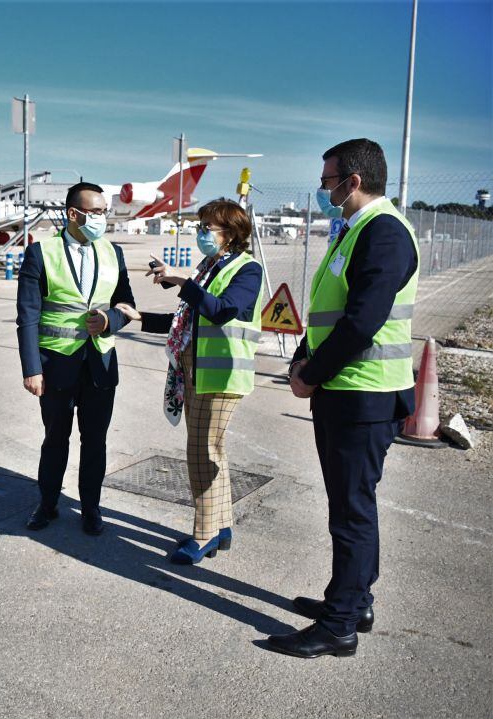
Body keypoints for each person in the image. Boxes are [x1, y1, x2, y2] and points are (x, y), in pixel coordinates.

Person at [267, 138, 419, 659]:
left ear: (354, 181)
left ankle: (340, 626)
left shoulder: (384, 234)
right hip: (343, 391)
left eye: (329, 180)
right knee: (349, 505)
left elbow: (362, 324)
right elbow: (328, 311)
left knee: (352, 512)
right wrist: (301, 359)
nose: (324, 188)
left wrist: (312, 376)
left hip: (363, 395)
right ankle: (353, 600)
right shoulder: (353, 231)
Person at [115, 198, 263, 564]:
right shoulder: (210, 268)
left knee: (201, 454)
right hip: (196, 372)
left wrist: (183, 281)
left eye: (206, 228)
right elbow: (185, 320)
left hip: (222, 375)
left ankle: (205, 533)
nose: (200, 234)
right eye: (199, 227)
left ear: (230, 233)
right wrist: (139, 317)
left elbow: (223, 310)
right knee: (212, 451)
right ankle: (222, 525)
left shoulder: (247, 270)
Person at [16, 182, 136, 535]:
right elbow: (28, 315)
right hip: (56, 365)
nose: (101, 218)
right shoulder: (42, 253)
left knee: (95, 441)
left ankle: (91, 508)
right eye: (96, 212)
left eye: (104, 212)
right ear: (74, 213)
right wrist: (32, 368)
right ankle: (48, 502)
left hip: (100, 364)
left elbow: (127, 305)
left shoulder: (114, 252)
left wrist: (110, 321)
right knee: (55, 438)